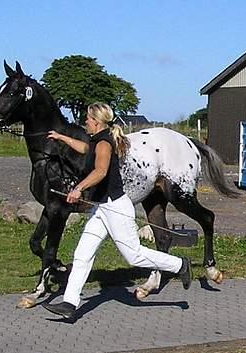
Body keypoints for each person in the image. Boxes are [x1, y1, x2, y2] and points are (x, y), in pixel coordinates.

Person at [43, 102, 192, 321]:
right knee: (82, 254)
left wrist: (78, 188)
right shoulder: (96, 140)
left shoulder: (104, 143)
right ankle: (70, 303)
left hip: (114, 206)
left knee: (134, 255)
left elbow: (101, 171)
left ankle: (180, 264)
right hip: (101, 209)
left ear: (96, 121)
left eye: (87, 118)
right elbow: (84, 148)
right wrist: (61, 137)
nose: (85, 121)